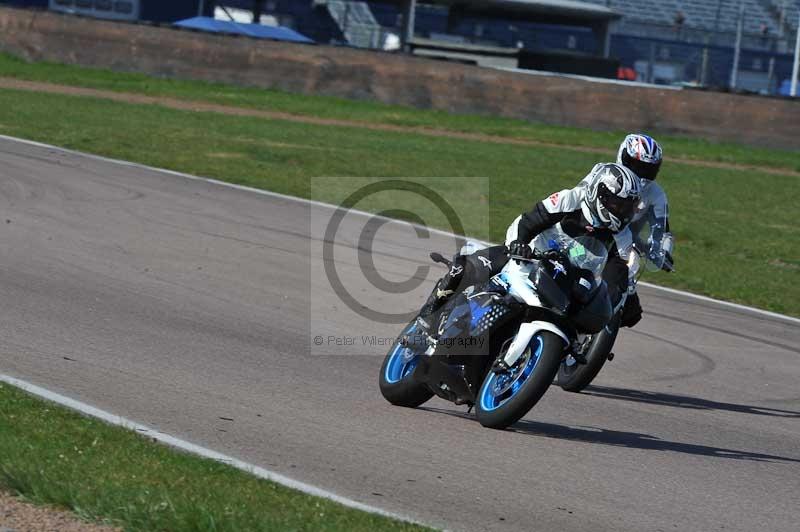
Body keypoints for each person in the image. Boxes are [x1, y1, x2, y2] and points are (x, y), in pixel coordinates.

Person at [418, 163, 642, 325]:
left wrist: (618, 303)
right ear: (600, 195)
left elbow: (619, 276)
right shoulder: (570, 199)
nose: (622, 212)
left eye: (628, 207)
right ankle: (430, 311)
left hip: (566, 281)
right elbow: (529, 221)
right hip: (530, 256)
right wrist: (519, 243)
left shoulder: (622, 236)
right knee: (475, 265)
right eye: (618, 204)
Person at [614, 133, 675, 327]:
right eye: (636, 166)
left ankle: (616, 312)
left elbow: (662, 228)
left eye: (647, 169)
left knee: (632, 310)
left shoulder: (656, 194)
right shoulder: (606, 175)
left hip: (625, 244)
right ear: (623, 157)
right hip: (591, 232)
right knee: (572, 254)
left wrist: (663, 251)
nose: (641, 173)